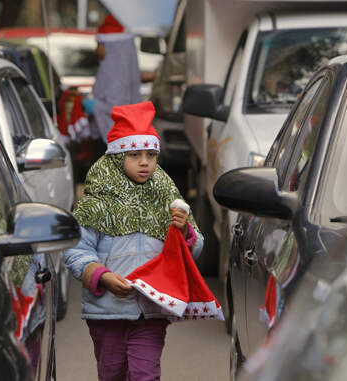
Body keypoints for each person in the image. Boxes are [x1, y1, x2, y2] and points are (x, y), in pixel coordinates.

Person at [63, 101, 204, 381]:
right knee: (112, 372)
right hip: (106, 313)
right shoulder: (97, 202)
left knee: (144, 374)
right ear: (117, 158)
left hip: (150, 310)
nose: (144, 162)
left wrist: (184, 232)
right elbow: (76, 249)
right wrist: (101, 276)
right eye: (135, 154)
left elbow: (196, 246)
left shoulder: (167, 198)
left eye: (151, 155)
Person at [82, 14, 142, 143]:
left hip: (114, 140)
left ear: (110, 45)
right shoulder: (122, 68)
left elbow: (117, 110)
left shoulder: (114, 71)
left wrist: (95, 106)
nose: (97, 49)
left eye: (99, 43)